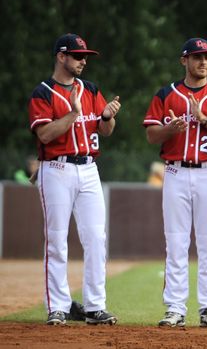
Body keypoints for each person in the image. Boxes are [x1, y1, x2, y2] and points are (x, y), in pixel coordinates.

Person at [143, 37, 207, 328]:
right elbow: (151, 135)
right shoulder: (166, 94)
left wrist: (203, 118)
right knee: (176, 242)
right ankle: (175, 307)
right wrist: (169, 129)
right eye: (197, 56)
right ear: (184, 60)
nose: (203, 61)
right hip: (175, 172)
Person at [28, 33, 120, 325]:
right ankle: (57, 306)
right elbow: (44, 134)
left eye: (85, 57)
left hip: (89, 167)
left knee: (96, 238)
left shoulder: (90, 89)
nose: (83, 61)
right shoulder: (43, 92)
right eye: (78, 56)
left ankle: (94, 306)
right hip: (56, 169)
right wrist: (73, 114)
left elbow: (106, 131)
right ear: (61, 56)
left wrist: (106, 117)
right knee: (56, 240)